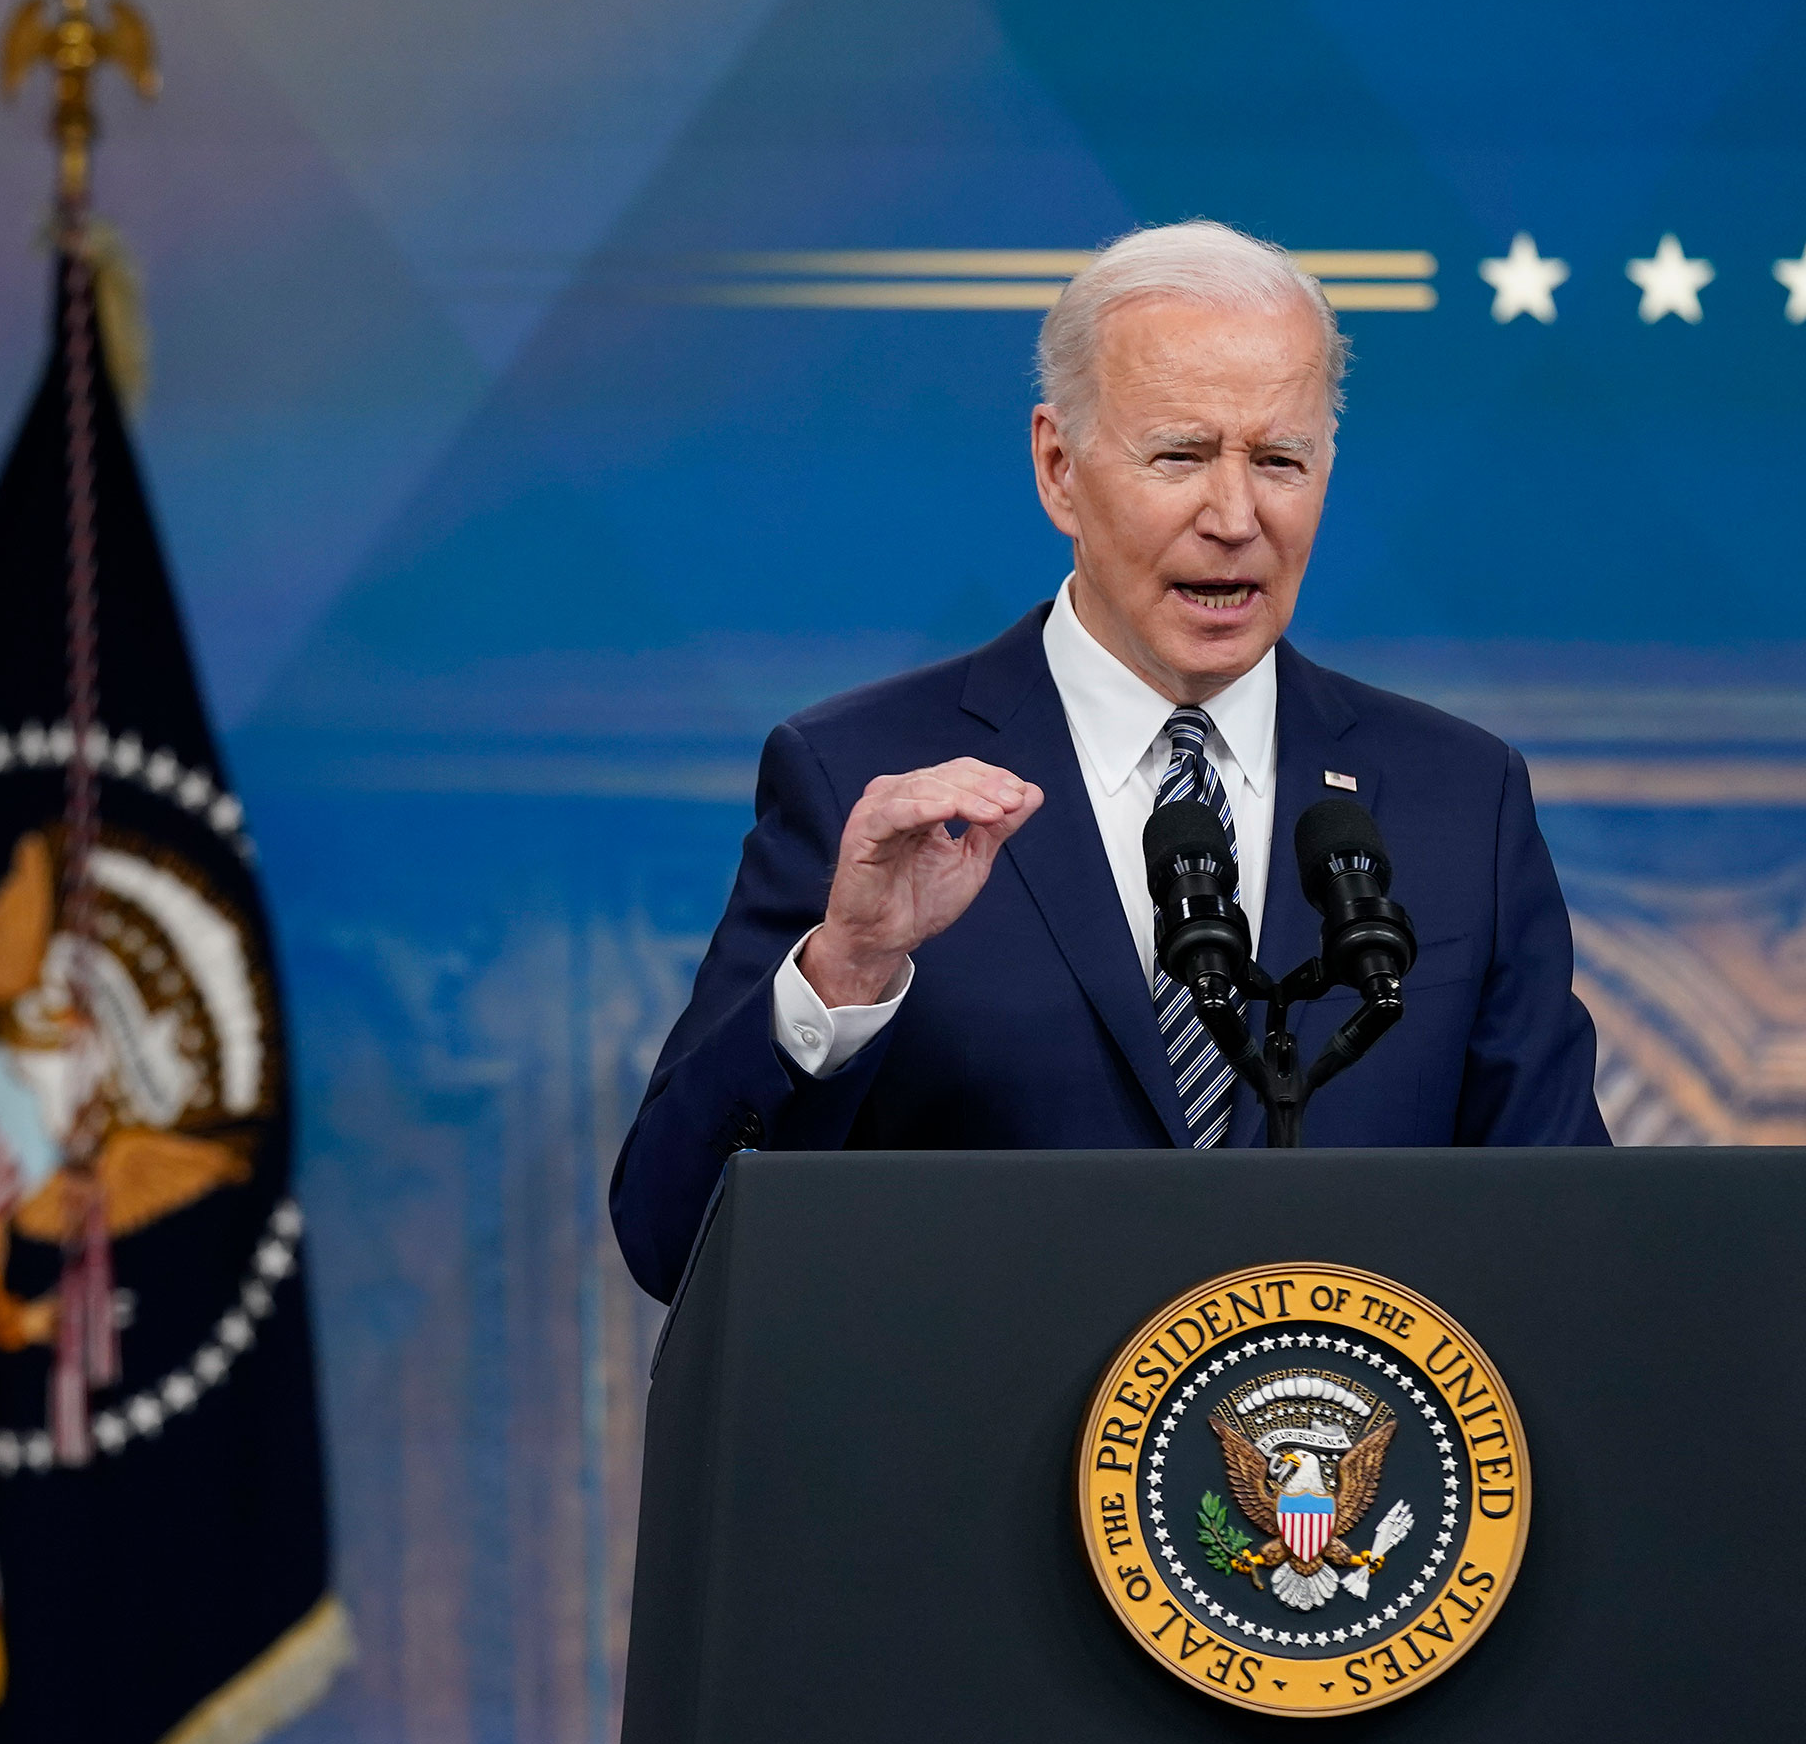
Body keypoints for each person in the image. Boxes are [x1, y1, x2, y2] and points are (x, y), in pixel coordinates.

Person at [609, 219, 1610, 1302]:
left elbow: (1566, 1252)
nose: (1235, 517)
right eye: (1179, 455)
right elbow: (675, 1239)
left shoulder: (1462, 798)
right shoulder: (862, 778)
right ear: (1059, 470)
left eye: (1279, 460)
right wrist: (843, 973)